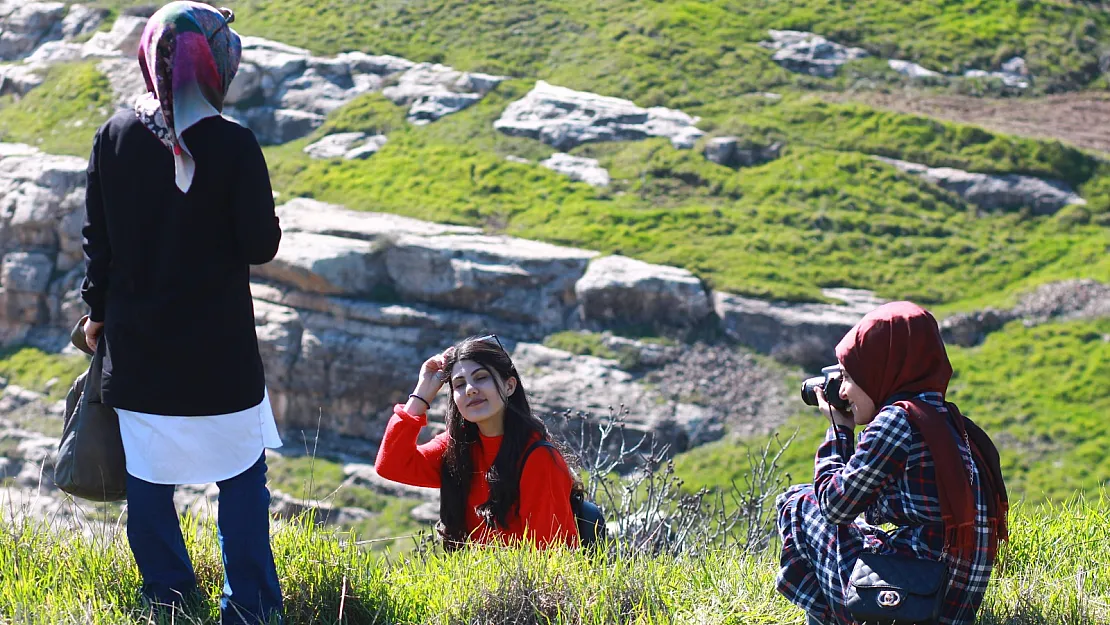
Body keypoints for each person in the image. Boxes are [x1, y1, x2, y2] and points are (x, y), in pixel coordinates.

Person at [80, 3, 283, 622]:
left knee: (148, 482)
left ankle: (166, 598)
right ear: (212, 64)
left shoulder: (113, 135)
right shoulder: (234, 142)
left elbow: (99, 242)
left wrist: (95, 314)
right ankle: (247, 606)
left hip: (139, 350)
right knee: (242, 482)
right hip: (218, 354)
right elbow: (260, 246)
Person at [775, 302, 1008, 625]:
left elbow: (834, 507)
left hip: (904, 605)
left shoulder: (897, 421)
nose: (842, 391)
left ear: (879, 373)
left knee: (799, 503)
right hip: (950, 609)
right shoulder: (954, 425)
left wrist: (839, 431)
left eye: (848, 377)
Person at [375, 335, 581, 549]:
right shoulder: (456, 447)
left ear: (509, 386)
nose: (470, 389)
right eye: (460, 384)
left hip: (522, 583)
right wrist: (421, 394)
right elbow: (390, 466)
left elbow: (551, 555)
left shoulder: (538, 458)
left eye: (481, 377)